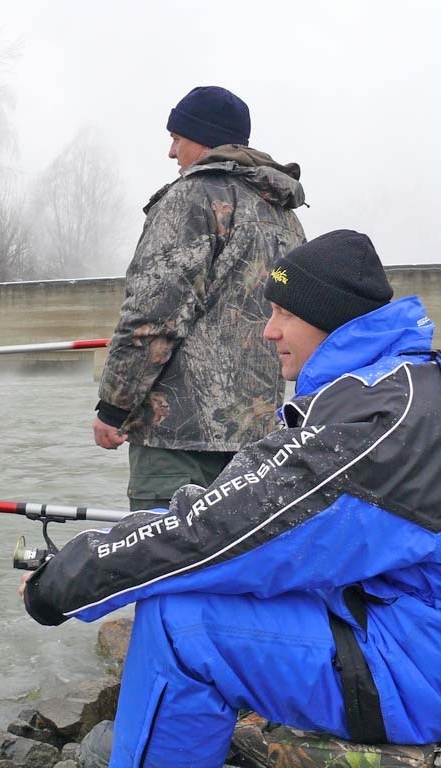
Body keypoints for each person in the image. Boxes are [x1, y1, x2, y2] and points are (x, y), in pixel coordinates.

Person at [27, 230, 441, 767]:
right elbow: (259, 519)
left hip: (427, 673)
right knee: (210, 572)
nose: (268, 330)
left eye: (284, 311)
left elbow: (232, 531)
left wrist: (73, 576)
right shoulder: (407, 385)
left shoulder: (379, 420)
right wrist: (142, 537)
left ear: (330, 320)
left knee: (183, 625)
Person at [92, 85, 307, 511]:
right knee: (235, 570)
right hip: (258, 445)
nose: (172, 153)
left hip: (178, 441)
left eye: (177, 139)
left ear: (204, 138)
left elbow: (152, 317)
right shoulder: (283, 213)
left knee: (168, 570)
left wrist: (113, 407)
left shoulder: (193, 197)